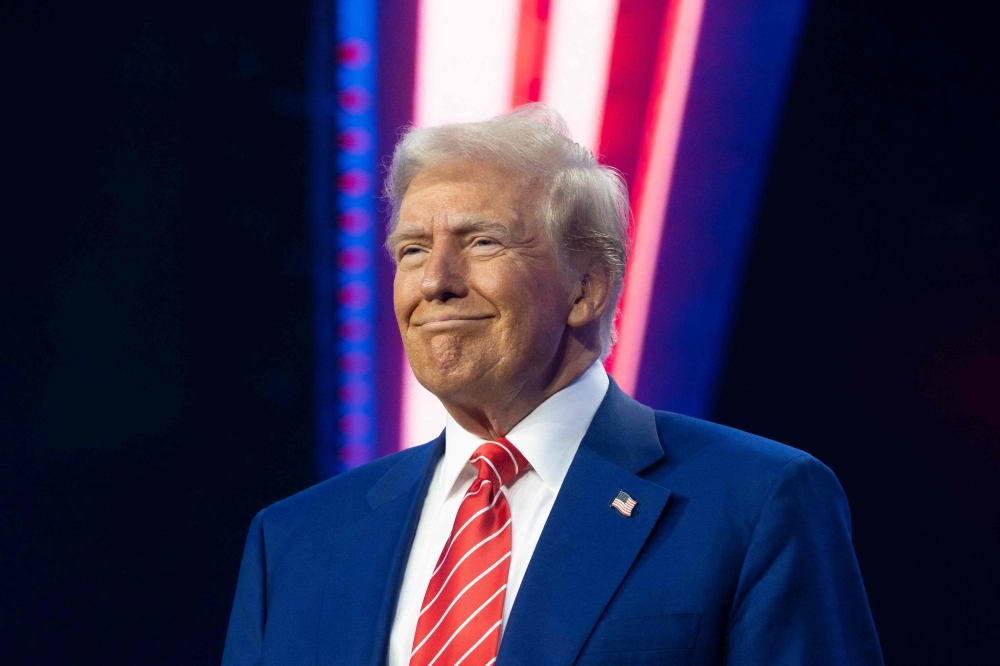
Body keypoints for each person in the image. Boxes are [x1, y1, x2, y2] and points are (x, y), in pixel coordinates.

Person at [221, 104, 883, 666]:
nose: (435, 281)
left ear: (586, 288)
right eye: (412, 250)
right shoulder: (295, 542)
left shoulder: (758, 502)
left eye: (481, 242)